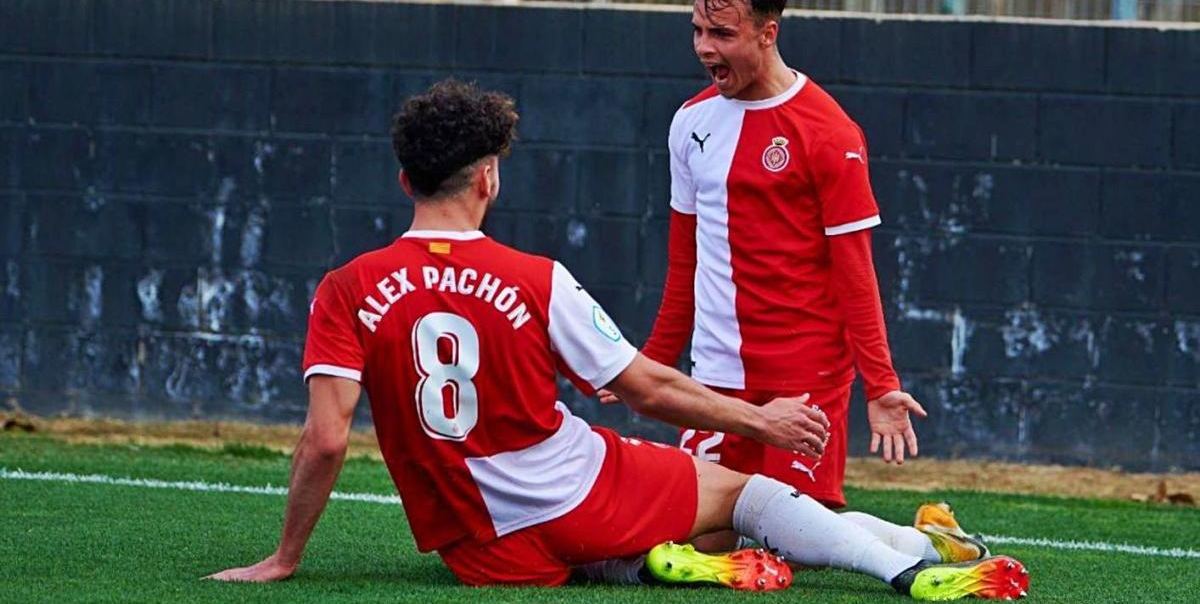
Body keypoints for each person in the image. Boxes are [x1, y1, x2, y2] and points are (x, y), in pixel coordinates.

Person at [206, 80, 1026, 600]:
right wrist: (761, 422)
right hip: (576, 490)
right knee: (744, 496)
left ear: (403, 180)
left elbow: (323, 439)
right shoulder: (535, 277)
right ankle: (909, 565)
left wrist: (284, 559)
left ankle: (664, 561)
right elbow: (648, 389)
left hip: (477, 548)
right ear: (489, 176)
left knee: (640, 545)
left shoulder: (347, 287)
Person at [632, 0, 924, 525]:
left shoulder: (829, 132)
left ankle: (921, 548)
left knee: (794, 535)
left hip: (805, 376)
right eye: (697, 30)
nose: (704, 48)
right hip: (716, 377)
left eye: (722, 33)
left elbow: (856, 272)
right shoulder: (689, 123)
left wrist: (881, 384)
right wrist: (654, 364)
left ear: (768, 33)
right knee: (699, 533)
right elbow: (683, 260)